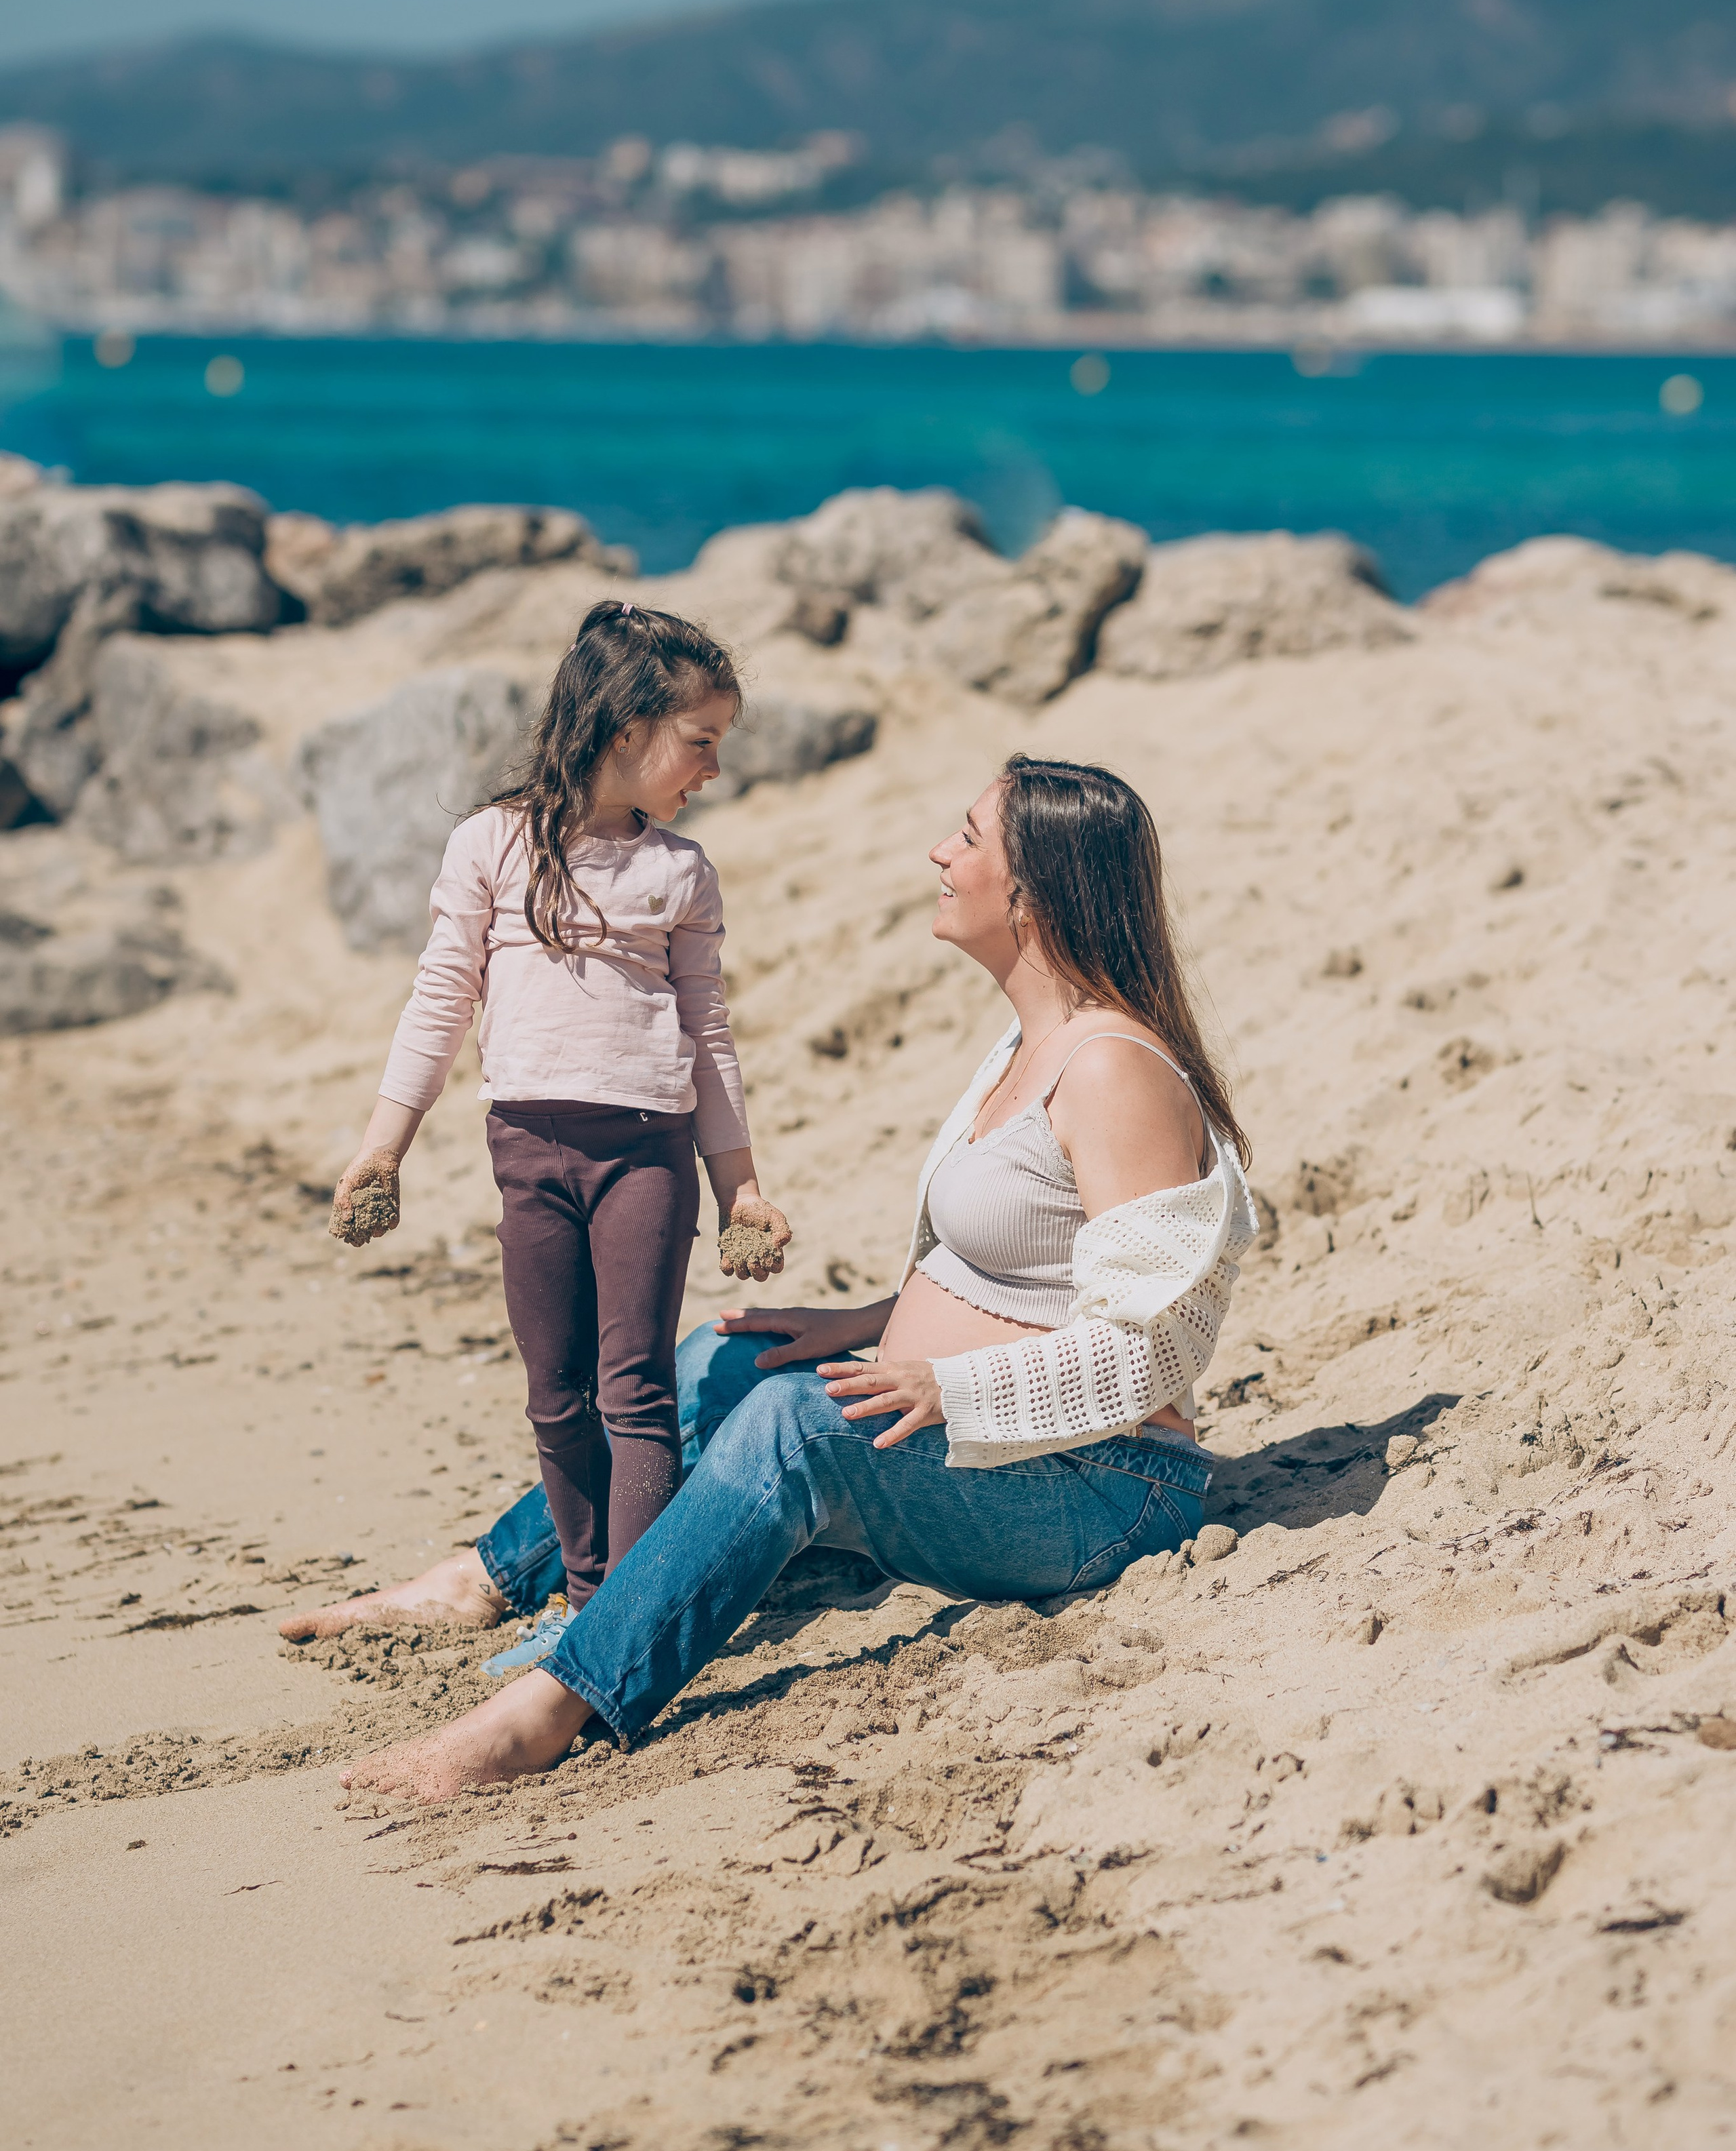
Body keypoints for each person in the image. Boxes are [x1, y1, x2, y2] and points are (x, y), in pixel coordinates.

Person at [298, 753, 1258, 1802]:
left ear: (1034, 891)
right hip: (989, 1442)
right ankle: (486, 1577)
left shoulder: (1116, 1069)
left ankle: (548, 1711)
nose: (941, 852)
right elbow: (1032, 1272)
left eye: (969, 839)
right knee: (732, 1352)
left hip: (1105, 1490)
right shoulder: (1027, 1044)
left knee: (792, 1423)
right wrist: (869, 1322)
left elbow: (1152, 1346)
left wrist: (949, 1384)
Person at [324, 597, 791, 1622]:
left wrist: (741, 1184)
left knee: (637, 1390)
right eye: (700, 742)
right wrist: (381, 1149)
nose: (712, 770)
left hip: (647, 1157)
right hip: (527, 1154)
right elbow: (442, 999)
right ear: (628, 731)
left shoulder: (680, 871)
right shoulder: (493, 845)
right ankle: (584, 1595)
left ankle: (626, 1614)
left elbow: (708, 1032)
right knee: (556, 1394)